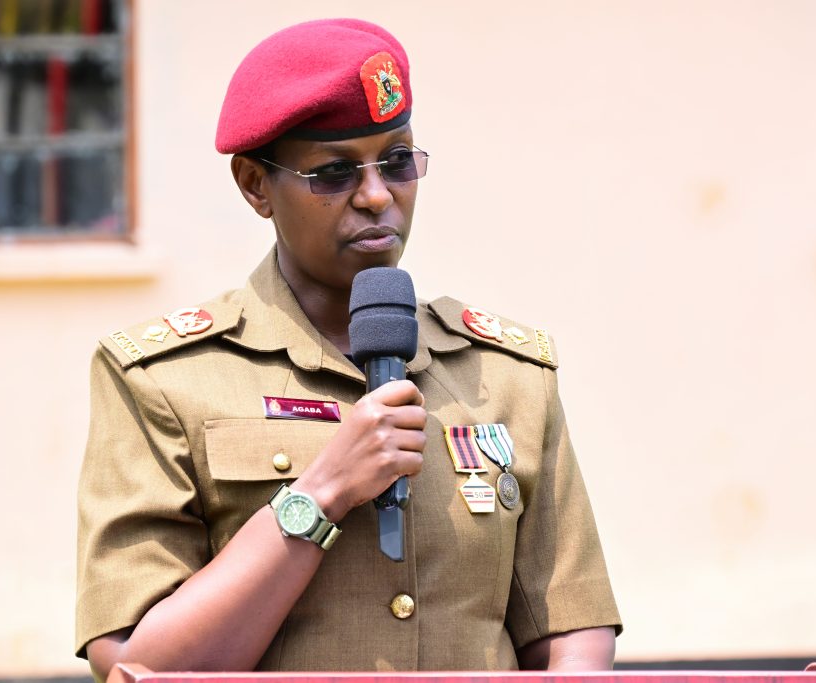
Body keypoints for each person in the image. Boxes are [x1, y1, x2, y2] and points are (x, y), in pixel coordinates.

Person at [76, 18, 621, 678]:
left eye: (397, 161)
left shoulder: (507, 374)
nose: (375, 196)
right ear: (254, 185)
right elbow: (138, 665)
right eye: (333, 173)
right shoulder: (162, 379)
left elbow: (571, 639)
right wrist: (323, 491)